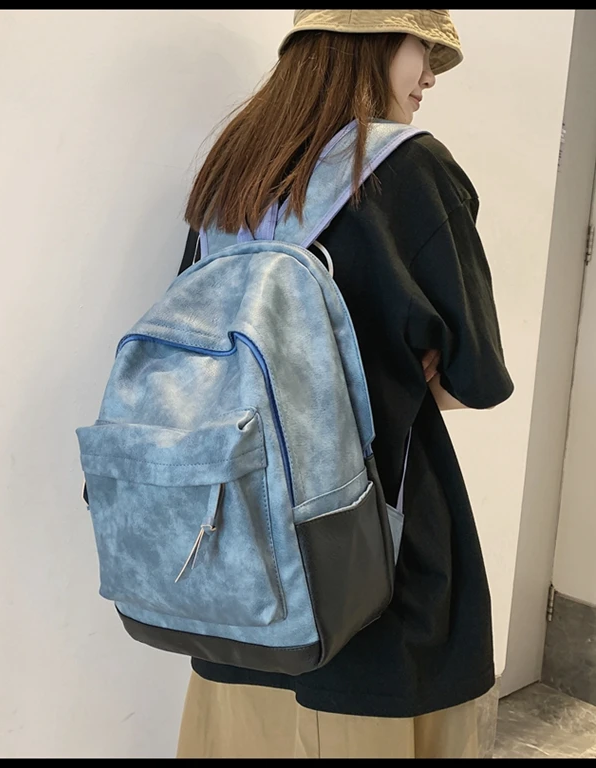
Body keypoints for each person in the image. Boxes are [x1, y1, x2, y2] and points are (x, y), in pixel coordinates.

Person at [172, 9, 515, 760]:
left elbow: (192, 357)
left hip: (235, 566)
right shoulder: (411, 168)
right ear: (372, 38)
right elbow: (474, 379)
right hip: (374, 573)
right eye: (422, 48)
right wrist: (404, 371)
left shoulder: (235, 167)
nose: (429, 76)